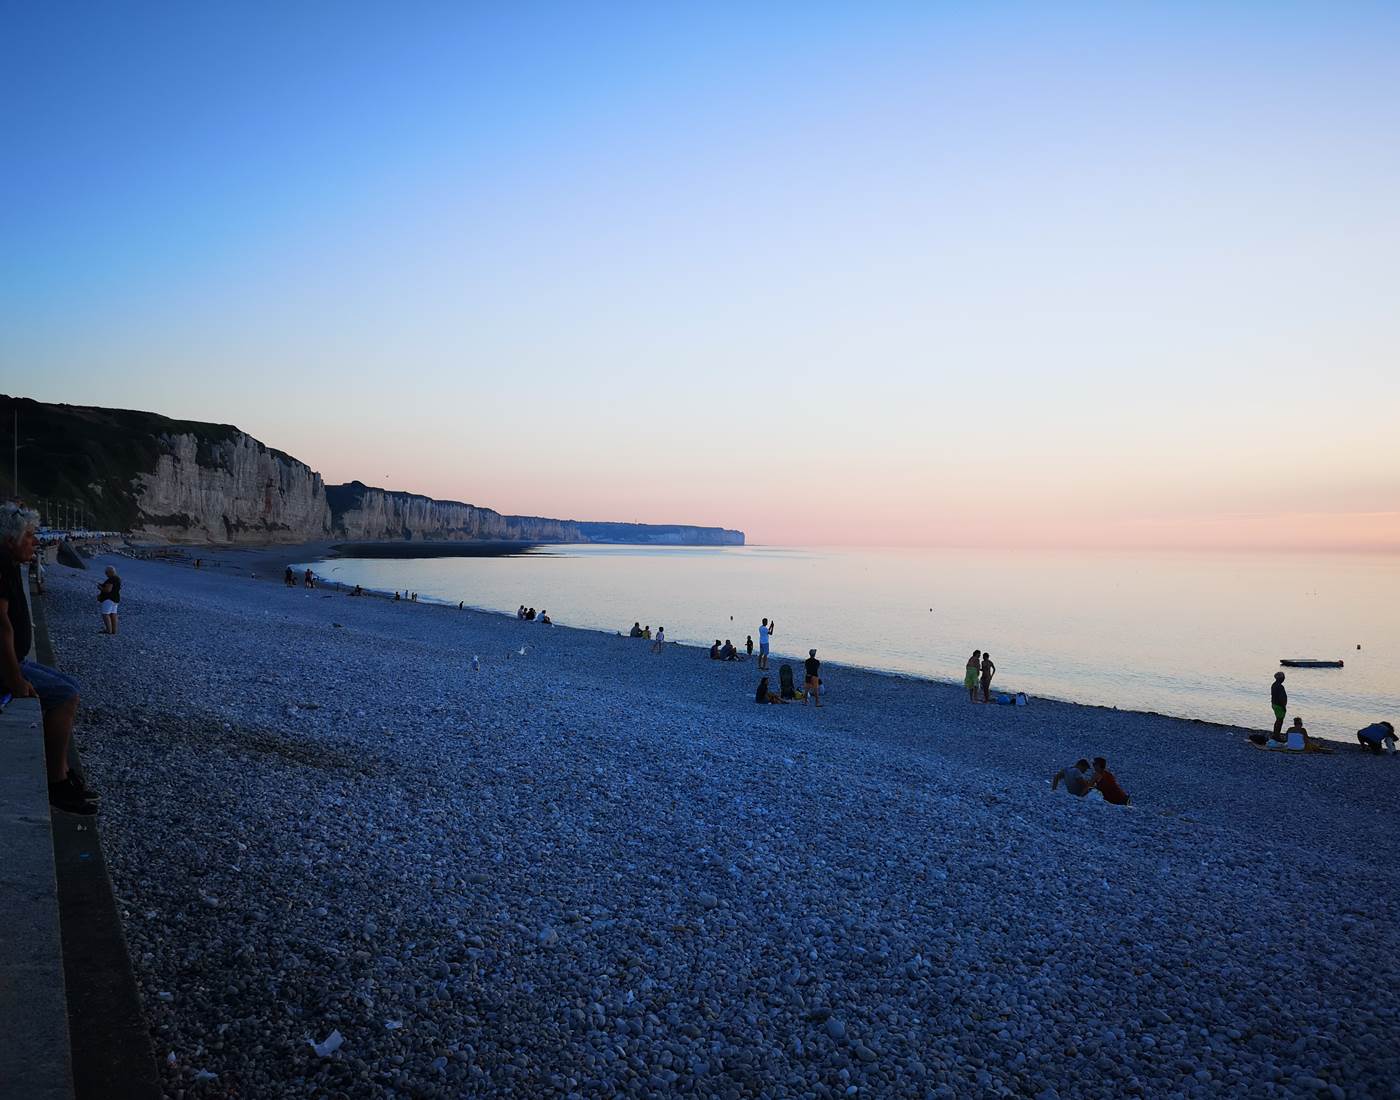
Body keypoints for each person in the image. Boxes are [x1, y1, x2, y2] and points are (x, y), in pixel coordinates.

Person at [0, 504, 97, 815]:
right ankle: (56, 782)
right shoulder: (1, 566)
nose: (35, 542)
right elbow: (0, 626)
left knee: (70, 685)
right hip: (6, 666)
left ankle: (64, 772)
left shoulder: (8, 563)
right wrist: (15, 679)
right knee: (65, 695)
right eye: (29, 536)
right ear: (10, 541)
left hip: (15, 660)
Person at [97, 565, 121, 635]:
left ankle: (108, 630)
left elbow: (108, 590)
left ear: (110, 572)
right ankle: (114, 630)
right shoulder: (117, 578)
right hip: (116, 599)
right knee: (113, 614)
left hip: (109, 599)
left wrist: (100, 588)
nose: (106, 575)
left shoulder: (111, 579)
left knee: (105, 614)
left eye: (106, 573)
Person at [1271, 672, 1288, 738]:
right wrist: (1283, 706)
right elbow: (1281, 698)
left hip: (1275, 704)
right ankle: (1277, 735)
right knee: (1279, 721)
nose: (1284, 679)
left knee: (1278, 720)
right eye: (1283, 677)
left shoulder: (1274, 685)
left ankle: (1275, 734)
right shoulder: (1280, 686)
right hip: (1279, 705)